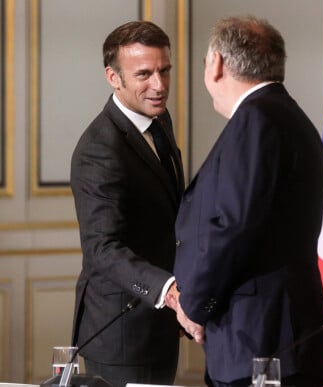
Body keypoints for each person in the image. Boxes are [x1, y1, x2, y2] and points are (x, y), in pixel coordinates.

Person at [165, 15, 323, 387]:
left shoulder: (256, 120)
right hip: (281, 335)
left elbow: (234, 226)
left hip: (261, 340)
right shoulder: (289, 117)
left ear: (217, 64)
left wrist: (195, 306)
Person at [70, 21, 185, 387]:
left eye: (164, 70)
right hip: (119, 333)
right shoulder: (98, 149)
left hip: (159, 324)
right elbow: (102, 248)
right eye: (144, 74)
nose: (160, 85)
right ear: (113, 77)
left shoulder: (159, 119)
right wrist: (168, 291)